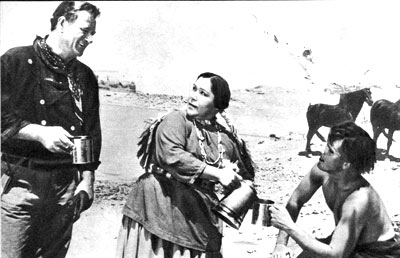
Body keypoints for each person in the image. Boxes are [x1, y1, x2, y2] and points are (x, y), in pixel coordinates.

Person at [116, 72, 255, 258]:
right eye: (194, 89)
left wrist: (240, 186)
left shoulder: (227, 139)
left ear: (217, 105)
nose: (193, 96)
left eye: (203, 94)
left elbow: (245, 177)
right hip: (158, 206)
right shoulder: (175, 120)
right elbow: (171, 155)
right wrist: (218, 174)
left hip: (198, 215)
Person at [1, 2, 102, 257]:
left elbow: (90, 132)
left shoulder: (84, 77)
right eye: (85, 30)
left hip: (65, 190)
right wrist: (38, 133)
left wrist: (87, 181)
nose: (90, 39)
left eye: (93, 34)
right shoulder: (17, 61)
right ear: (62, 23)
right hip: (21, 184)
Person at [270, 121, 400, 258]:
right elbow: (295, 201)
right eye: (327, 146)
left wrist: (288, 226)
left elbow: (335, 254)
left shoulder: (358, 200)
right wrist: (280, 244)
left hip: (376, 253)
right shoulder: (322, 170)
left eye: (331, 151)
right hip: (347, 243)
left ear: (346, 164)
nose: (323, 153)